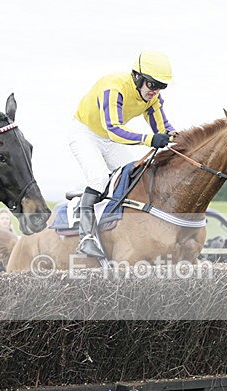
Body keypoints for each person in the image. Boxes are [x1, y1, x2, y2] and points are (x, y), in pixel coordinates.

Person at [69, 51, 177, 258]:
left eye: (161, 86)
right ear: (137, 76)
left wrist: (179, 138)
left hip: (107, 139)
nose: (155, 91)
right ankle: (86, 237)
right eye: (152, 85)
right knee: (99, 178)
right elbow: (113, 130)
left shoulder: (152, 98)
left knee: (136, 174)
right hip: (84, 132)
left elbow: (162, 128)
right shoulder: (114, 87)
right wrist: (149, 140)